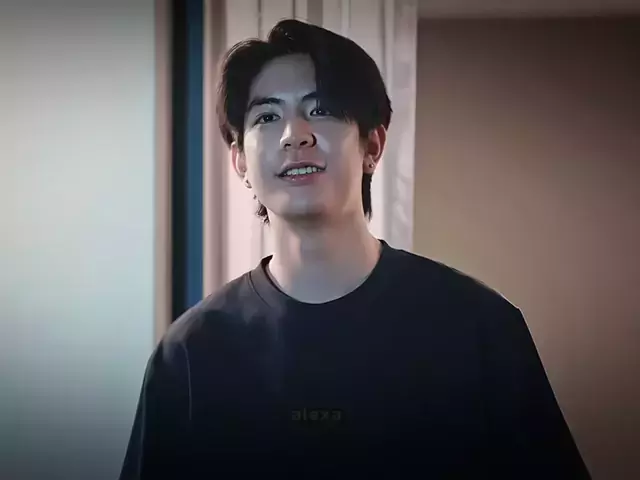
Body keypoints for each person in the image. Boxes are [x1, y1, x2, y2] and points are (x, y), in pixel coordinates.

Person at [120, 19, 591, 479]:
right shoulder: (189, 355)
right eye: (267, 117)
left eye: (320, 109)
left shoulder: (481, 330)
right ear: (240, 160)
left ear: (372, 146)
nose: (294, 134)